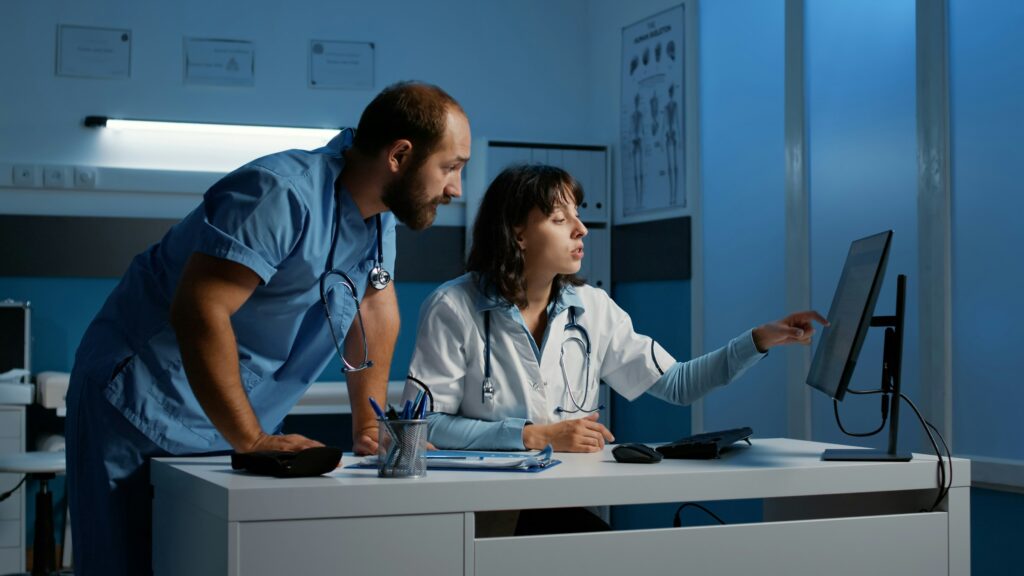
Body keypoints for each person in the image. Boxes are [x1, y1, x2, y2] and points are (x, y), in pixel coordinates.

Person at [65, 81, 471, 575]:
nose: (456, 189)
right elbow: (201, 309)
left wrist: (368, 426)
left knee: (214, 560)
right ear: (400, 155)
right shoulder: (279, 193)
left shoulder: (378, 216)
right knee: (129, 562)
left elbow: (374, 304)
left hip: (235, 418)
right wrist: (251, 439)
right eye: (450, 167)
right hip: (144, 401)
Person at [403, 163, 825, 458]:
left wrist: (759, 340)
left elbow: (677, 385)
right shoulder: (453, 307)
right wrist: (532, 436)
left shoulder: (592, 308)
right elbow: (423, 425)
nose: (580, 228)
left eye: (578, 214)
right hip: (484, 505)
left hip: (569, 499)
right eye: (558, 217)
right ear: (518, 233)